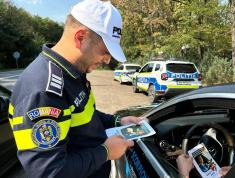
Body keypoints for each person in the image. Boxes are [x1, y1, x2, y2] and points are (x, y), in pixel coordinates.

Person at [8, 0, 142, 177]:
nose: (107, 60)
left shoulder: (71, 73)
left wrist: (117, 121)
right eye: (106, 50)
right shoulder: (44, 91)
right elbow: (49, 172)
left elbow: (85, 115)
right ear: (80, 37)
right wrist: (106, 152)